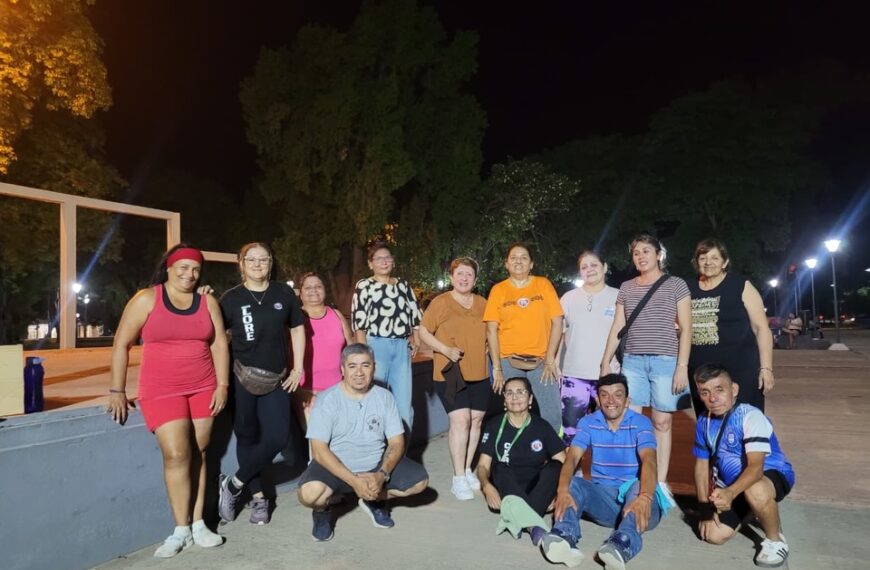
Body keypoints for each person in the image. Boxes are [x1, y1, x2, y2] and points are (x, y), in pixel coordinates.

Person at [107, 244, 229, 557]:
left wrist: (222, 385)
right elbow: (121, 344)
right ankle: (180, 529)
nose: (190, 274)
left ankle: (200, 523)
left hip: (203, 386)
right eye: (183, 268)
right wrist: (117, 390)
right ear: (169, 268)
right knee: (176, 454)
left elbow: (218, 346)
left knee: (200, 452)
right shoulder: (147, 299)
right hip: (161, 388)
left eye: (196, 269)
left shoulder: (207, 302)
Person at [296, 343, 429, 541]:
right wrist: (354, 481)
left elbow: (396, 442)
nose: (359, 372)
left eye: (365, 365)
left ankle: (372, 500)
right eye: (352, 366)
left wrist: (381, 475)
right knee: (309, 494)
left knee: (420, 482)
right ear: (342, 369)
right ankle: (322, 511)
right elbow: (319, 452)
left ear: (374, 367)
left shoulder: (384, 397)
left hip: (374, 465)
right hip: (337, 466)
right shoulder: (327, 399)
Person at [218, 242, 306, 525]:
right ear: (241, 263)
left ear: (271, 263)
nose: (257, 264)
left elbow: (297, 329)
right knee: (247, 436)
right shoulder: (230, 299)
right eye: (251, 259)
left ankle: (233, 484)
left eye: (263, 259)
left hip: (277, 379)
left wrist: (297, 368)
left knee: (279, 437)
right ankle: (259, 499)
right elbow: (217, 339)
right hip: (241, 377)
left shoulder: (283, 293)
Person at [541, 374, 665, 569]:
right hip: (606, 501)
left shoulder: (641, 423)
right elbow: (572, 457)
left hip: (640, 502)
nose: (611, 401)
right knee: (573, 483)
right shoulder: (588, 422)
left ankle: (621, 544)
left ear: (627, 401)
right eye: (605, 395)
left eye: (618, 395)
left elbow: (649, 460)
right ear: (597, 399)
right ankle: (564, 536)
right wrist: (563, 491)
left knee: (638, 483)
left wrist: (646, 497)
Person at [599, 234, 692, 490]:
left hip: (666, 361)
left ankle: (659, 482)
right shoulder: (627, 287)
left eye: (646, 251)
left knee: (662, 422)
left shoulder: (676, 284)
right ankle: (632, 477)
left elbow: (686, 328)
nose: (641, 256)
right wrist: (605, 362)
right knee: (630, 421)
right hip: (633, 362)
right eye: (636, 253)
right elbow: (618, 325)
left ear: (658, 254)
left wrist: (682, 367)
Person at [692, 364, 795, 568]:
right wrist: (705, 509)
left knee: (755, 489)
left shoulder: (750, 416)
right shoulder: (703, 421)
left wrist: (729, 493)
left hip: (769, 474)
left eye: (719, 389)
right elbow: (701, 467)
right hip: (732, 485)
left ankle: (775, 540)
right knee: (713, 535)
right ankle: (751, 509)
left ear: (734, 389)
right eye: (705, 392)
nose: (712, 398)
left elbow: (756, 468)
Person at [419, 257, 490, 501]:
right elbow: (424, 331)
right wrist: (444, 350)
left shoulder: (482, 303)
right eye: (459, 274)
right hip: (450, 372)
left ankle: (468, 469)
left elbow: (491, 332)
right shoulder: (441, 302)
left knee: (476, 420)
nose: (464, 278)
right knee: (460, 421)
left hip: (479, 372)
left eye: (469, 274)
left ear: (475, 279)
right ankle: (458, 477)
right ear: (451, 277)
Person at [484, 242, 564, 433]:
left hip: (542, 361)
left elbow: (558, 322)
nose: (518, 261)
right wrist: (496, 367)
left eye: (523, 257)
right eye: (513, 258)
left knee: (552, 412)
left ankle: (553, 455)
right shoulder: (498, 290)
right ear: (506, 263)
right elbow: (491, 330)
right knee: (514, 408)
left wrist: (551, 359)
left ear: (531, 263)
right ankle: (516, 454)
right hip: (508, 361)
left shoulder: (543, 284)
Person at [688, 239, 775, 413]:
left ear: (724, 262)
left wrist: (766, 368)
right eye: (703, 258)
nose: (708, 262)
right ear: (696, 262)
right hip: (701, 370)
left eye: (714, 258)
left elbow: (761, 329)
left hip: (740, 368)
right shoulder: (687, 288)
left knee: (745, 419)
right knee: (709, 422)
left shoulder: (741, 285)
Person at [477, 377, 565, 545]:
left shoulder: (542, 426)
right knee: (499, 467)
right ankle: (534, 526)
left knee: (556, 467)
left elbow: (564, 462)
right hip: (507, 487)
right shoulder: (494, 426)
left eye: (520, 392)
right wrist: (486, 487)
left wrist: (560, 493)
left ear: (530, 399)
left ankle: (517, 518)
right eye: (509, 393)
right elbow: (482, 466)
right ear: (504, 400)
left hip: (536, 487)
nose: (515, 397)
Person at [351, 241, 422, 429]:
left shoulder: (404, 286)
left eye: (387, 258)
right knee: (374, 401)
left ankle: (400, 455)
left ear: (393, 261)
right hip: (376, 346)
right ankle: (375, 452)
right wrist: (364, 355)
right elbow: (359, 324)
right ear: (370, 263)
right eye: (378, 258)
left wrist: (416, 338)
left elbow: (415, 316)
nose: (384, 262)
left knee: (404, 407)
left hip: (400, 348)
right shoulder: (364, 286)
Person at [558, 250, 619, 445]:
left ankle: (607, 473)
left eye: (594, 265)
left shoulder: (618, 297)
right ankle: (573, 473)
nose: (589, 270)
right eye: (584, 267)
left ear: (605, 267)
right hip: (574, 375)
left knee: (611, 429)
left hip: (609, 375)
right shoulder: (568, 298)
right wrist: (557, 365)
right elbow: (559, 334)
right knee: (570, 431)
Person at [294, 272, 354, 430]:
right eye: (308, 287)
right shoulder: (294, 318)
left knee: (340, 440)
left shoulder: (336, 315)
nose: (314, 290)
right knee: (317, 446)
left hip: (339, 390)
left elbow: (351, 348)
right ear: (300, 293)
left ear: (324, 290)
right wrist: (299, 392)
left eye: (318, 286)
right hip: (307, 393)